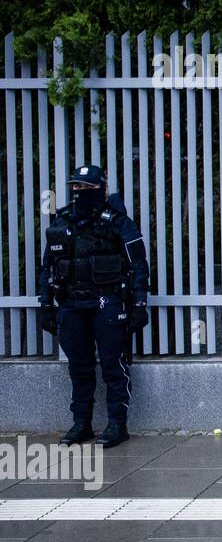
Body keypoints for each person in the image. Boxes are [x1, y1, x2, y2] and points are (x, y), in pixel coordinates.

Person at [36, 165, 150, 448]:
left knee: (114, 364)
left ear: (100, 189)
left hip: (107, 302)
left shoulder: (117, 221)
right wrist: (45, 305)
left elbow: (138, 265)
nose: (81, 192)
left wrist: (139, 304)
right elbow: (47, 267)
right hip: (72, 305)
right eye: (77, 187)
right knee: (79, 367)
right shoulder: (62, 222)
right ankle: (81, 423)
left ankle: (116, 424)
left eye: (87, 188)